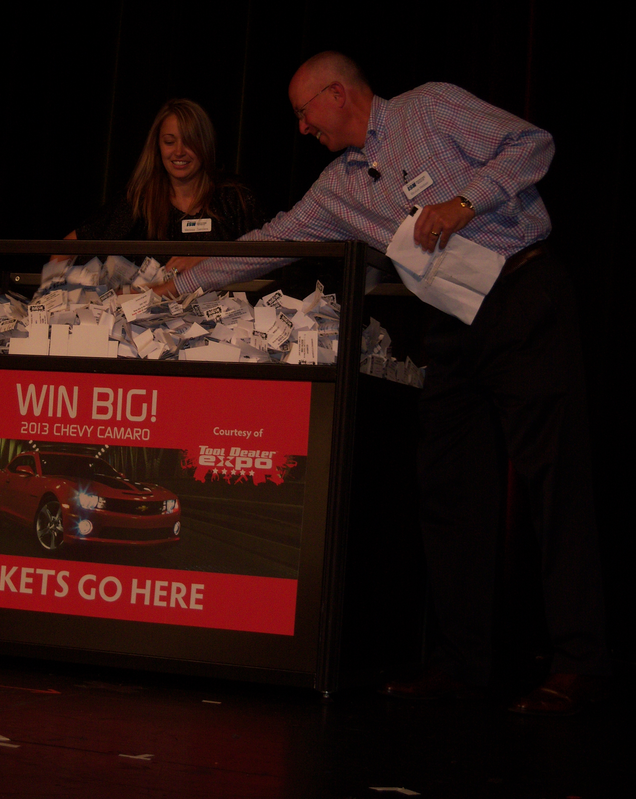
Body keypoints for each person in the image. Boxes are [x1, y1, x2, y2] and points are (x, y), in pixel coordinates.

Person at [155, 51, 610, 713]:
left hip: (522, 293)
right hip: (452, 319)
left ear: (338, 93)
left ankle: (579, 662)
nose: (302, 128)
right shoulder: (337, 186)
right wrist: (180, 282)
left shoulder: (429, 107)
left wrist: (463, 202)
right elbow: (278, 237)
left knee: (554, 480)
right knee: (448, 489)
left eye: (304, 112)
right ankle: (462, 664)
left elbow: (531, 144)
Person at [58, 99, 266, 271]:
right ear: (157, 146)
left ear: (205, 144)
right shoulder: (139, 201)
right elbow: (65, 249)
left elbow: (266, 260)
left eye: (189, 141)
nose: (179, 151)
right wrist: (52, 299)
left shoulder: (234, 197)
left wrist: (207, 260)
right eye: (169, 142)